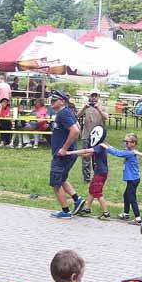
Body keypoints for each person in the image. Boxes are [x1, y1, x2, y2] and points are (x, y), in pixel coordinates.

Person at [50, 90, 86, 219]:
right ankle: (77, 200)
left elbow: (75, 130)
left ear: (62, 101)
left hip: (62, 155)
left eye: (55, 99)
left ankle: (65, 211)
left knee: (56, 183)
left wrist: (64, 148)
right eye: (51, 99)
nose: (52, 101)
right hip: (69, 153)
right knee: (62, 178)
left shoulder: (62, 114)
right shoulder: (67, 112)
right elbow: (78, 127)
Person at [104, 134, 142, 224]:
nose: (125, 143)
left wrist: (107, 148)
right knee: (126, 195)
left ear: (133, 143)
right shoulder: (130, 151)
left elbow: (118, 153)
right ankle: (126, 213)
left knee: (132, 197)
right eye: (124, 141)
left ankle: (138, 217)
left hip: (133, 179)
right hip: (133, 179)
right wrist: (110, 146)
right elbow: (119, 151)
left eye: (127, 142)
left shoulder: (131, 153)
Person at [67, 143, 111, 220]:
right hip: (99, 172)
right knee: (92, 190)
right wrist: (76, 154)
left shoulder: (99, 146)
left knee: (98, 193)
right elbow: (87, 154)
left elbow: (86, 150)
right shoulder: (98, 147)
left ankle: (106, 213)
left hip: (101, 173)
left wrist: (71, 152)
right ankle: (87, 209)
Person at [77, 90, 108, 182]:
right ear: (89, 96)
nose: (94, 98)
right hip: (86, 135)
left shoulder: (102, 107)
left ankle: (97, 176)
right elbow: (77, 116)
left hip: (98, 137)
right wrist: (84, 108)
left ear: (98, 97)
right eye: (92, 96)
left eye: (95, 96)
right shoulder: (86, 106)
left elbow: (106, 118)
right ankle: (87, 178)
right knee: (86, 157)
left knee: (97, 157)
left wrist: (98, 109)